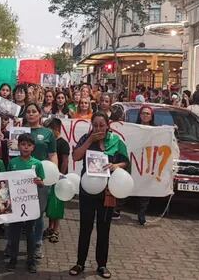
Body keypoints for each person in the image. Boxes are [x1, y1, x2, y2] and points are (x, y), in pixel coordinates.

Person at [69, 112, 128, 279]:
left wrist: (115, 165)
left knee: (104, 229)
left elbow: (126, 162)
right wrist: (90, 140)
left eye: (102, 125)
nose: (98, 128)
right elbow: (76, 156)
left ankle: (102, 265)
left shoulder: (116, 141)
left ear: (108, 125)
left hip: (107, 192)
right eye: (95, 125)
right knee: (85, 227)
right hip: (87, 190)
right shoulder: (85, 138)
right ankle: (80, 263)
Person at [21, 103, 57, 259]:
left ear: (40, 114)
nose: (30, 114)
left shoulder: (48, 133)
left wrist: (53, 173)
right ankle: (13, 246)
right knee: (19, 214)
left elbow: (53, 154)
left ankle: (37, 245)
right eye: (28, 112)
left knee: (38, 214)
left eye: (34, 111)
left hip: (40, 179)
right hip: (21, 178)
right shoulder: (19, 130)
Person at [6, 133, 45, 273]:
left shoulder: (37, 164)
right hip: (16, 204)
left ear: (33, 147)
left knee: (30, 233)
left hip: (30, 205)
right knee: (14, 232)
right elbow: (7, 182)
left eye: (29, 145)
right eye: (23, 144)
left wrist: (39, 182)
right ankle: (13, 259)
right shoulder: (13, 162)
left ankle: (31, 260)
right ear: (19, 145)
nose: (26, 147)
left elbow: (42, 184)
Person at [45, 117, 70, 241]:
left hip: (59, 177)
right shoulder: (49, 142)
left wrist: (61, 174)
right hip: (49, 177)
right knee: (51, 204)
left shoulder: (63, 143)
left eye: (49, 129)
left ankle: (56, 229)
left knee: (58, 204)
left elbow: (65, 161)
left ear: (56, 129)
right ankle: (49, 227)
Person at [134, 106, 155, 226]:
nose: (145, 115)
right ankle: (117, 209)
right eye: (143, 113)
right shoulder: (134, 128)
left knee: (145, 189)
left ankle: (141, 214)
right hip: (135, 160)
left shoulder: (156, 131)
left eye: (148, 113)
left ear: (151, 116)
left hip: (148, 162)